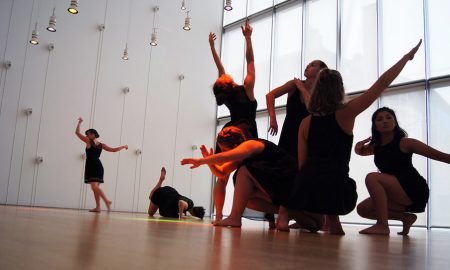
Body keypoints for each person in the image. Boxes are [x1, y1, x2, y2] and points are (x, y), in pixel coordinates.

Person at [278, 40, 423, 234]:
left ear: (317, 91)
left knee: (311, 176)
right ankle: (332, 220)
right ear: (339, 89)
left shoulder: (306, 123)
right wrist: (406, 58)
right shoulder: (346, 113)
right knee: (331, 176)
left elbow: (303, 165)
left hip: (308, 189)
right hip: (339, 194)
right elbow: (381, 84)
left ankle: (288, 213)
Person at [181, 126, 324, 231]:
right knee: (247, 200)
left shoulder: (252, 144)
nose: (224, 153)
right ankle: (286, 211)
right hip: (287, 196)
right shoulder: (243, 156)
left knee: (243, 171)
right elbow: (222, 172)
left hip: (293, 186)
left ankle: (234, 217)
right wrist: (208, 161)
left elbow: (227, 157)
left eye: (225, 149)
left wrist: (202, 161)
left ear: (236, 146)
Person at [354, 107, 450, 235]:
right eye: (379, 119)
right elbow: (361, 152)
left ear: (395, 122)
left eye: (389, 117)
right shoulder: (376, 147)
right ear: (375, 126)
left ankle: (382, 225)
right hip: (396, 192)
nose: (385, 121)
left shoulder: (405, 143)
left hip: (413, 189)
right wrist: (357, 146)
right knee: (363, 210)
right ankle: (406, 218)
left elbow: (439, 155)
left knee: (372, 177)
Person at [208, 20, 258, 225]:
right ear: (227, 83)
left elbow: (220, 68)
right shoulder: (246, 87)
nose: (224, 73)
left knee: (223, 176)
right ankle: (237, 216)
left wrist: (212, 48)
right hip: (245, 134)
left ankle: (219, 216)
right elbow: (250, 61)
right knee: (252, 174)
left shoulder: (226, 94)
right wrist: (248, 38)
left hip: (229, 133)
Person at [266, 60, 328, 160]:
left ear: (320, 72)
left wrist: (302, 88)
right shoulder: (294, 84)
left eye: (312, 65)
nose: (308, 65)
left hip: (307, 137)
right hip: (288, 133)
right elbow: (270, 95)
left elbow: (312, 108)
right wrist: (273, 119)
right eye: (309, 64)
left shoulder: (320, 94)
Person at [75, 117, 128, 212]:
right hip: (96, 166)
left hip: (94, 165)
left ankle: (107, 201)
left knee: (94, 187)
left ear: (94, 134)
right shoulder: (99, 144)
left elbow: (77, 133)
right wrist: (123, 146)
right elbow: (113, 150)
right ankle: (98, 207)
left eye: (88, 134)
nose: (87, 136)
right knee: (95, 188)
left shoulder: (92, 143)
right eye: (86, 134)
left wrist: (79, 123)